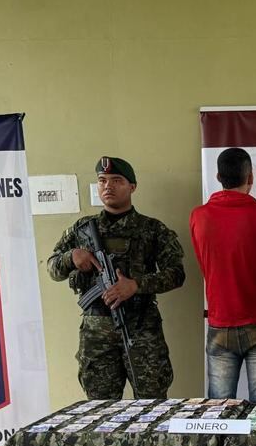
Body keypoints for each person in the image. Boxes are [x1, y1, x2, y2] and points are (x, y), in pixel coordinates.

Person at [47, 156, 185, 399]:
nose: (107, 186)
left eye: (116, 180)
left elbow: (176, 274)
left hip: (142, 331)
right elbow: (52, 269)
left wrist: (136, 285)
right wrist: (72, 257)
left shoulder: (152, 229)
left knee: (151, 409)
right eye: (102, 181)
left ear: (132, 186)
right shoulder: (82, 229)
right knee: (100, 411)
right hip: (96, 334)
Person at [190, 148, 256, 401]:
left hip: (220, 320)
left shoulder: (199, 216)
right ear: (250, 177)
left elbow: (204, 265)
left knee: (219, 410)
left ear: (218, 177)